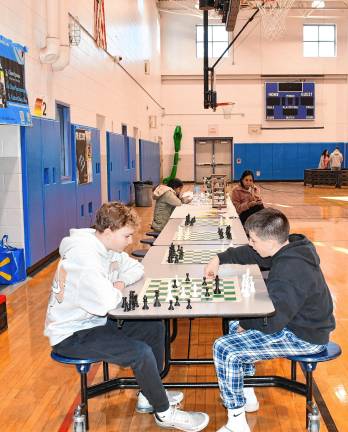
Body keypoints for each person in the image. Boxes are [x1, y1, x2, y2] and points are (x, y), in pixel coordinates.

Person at [44, 202, 209, 431]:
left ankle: (149, 394)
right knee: (139, 353)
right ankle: (163, 413)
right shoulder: (85, 259)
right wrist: (114, 289)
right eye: (127, 236)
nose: (130, 241)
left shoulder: (107, 248)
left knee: (154, 328)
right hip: (72, 334)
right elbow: (108, 302)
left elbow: (136, 268)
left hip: (95, 323)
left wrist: (118, 283)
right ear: (109, 231)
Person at [204, 208, 335, 432]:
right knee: (234, 326)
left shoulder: (290, 270)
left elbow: (273, 322)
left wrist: (246, 324)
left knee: (224, 348)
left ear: (270, 241)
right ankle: (246, 390)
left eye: (253, 240)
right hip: (296, 324)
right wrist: (219, 258)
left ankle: (236, 422)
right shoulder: (289, 247)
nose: (251, 244)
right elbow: (251, 253)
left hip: (304, 336)